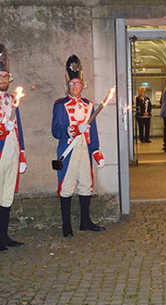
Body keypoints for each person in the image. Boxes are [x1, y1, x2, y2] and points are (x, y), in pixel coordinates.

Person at [52, 54, 105, 237]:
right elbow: (56, 130)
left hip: (84, 149)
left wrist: (96, 152)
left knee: (86, 184)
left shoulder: (89, 105)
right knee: (66, 186)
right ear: (68, 85)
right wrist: (73, 128)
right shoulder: (60, 105)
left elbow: (94, 131)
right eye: (72, 84)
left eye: (78, 83)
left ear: (83, 85)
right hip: (68, 149)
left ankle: (85, 222)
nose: (75, 87)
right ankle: (66, 225)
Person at [0, 44, 27, 250]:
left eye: (6, 76)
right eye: (1, 76)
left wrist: (22, 155)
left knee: (7, 195)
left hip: (12, 151)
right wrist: (2, 127)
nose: (4, 80)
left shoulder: (12, 100)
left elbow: (19, 129)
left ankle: (4, 236)